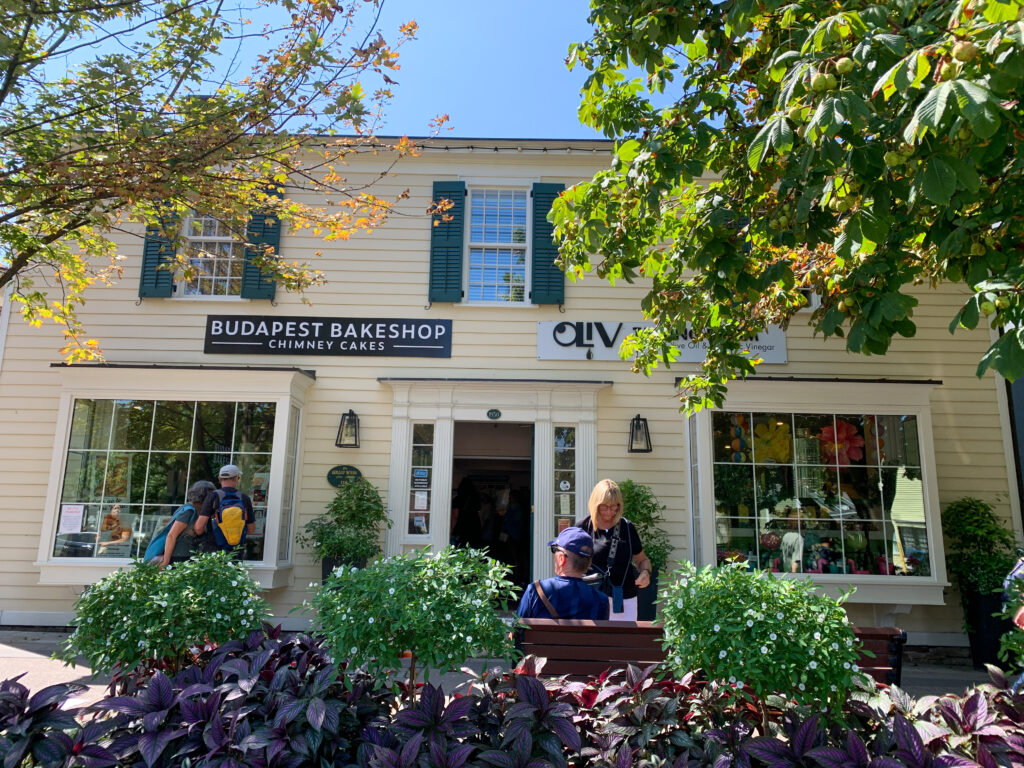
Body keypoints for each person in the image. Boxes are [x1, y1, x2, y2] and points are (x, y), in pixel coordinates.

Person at [576, 479, 652, 620]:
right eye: (605, 506)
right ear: (595, 504)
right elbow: (569, 563)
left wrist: (645, 573)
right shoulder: (583, 527)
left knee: (624, 640)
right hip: (592, 598)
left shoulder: (627, 528)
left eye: (614, 507)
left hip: (624, 598)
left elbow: (642, 560)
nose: (610, 511)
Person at [517, 527, 609, 620]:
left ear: (561, 559)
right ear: (589, 563)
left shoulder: (536, 591)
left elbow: (516, 630)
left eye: (554, 549)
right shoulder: (601, 600)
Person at [145, 480, 216, 567]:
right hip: (176, 558)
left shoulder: (191, 509)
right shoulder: (188, 511)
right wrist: (166, 561)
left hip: (183, 556)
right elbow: (171, 535)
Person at [195, 464, 255, 556]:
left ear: (219, 479)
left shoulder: (213, 496)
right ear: (236, 478)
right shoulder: (244, 498)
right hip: (236, 551)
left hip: (214, 550)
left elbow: (199, 528)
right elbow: (251, 529)